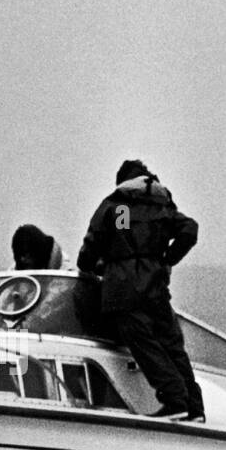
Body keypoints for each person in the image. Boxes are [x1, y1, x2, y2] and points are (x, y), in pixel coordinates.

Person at [77, 159, 205, 421]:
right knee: (171, 344)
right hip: (156, 285)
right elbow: (189, 230)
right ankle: (194, 408)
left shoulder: (117, 205)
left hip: (125, 289)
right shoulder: (160, 205)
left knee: (142, 342)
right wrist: (168, 258)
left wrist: (92, 265)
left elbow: (96, 245)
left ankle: (174, 400)